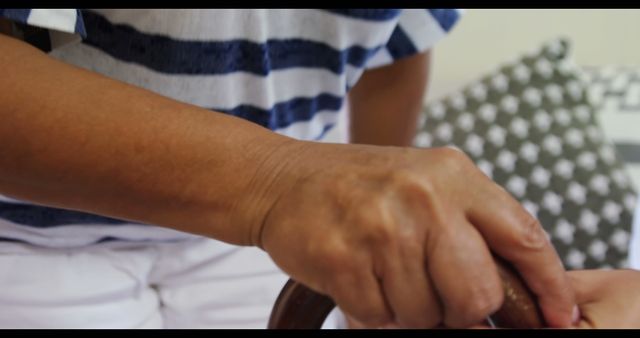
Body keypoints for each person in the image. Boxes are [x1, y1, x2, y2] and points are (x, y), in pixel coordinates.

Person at [0, 8, 634, 329]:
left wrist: (388, 251)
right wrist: (277, 181)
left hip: (275, 232)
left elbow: (395, 49)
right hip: (29, 233)